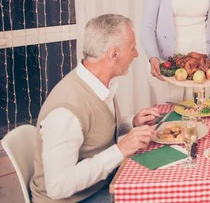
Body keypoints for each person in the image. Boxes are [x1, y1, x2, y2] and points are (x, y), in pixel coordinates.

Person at [30, 14, 159, 203]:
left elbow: (94, 127)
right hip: (75, 199)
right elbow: (58, 187)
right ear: (114, 54)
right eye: (132, 48)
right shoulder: (65, 112)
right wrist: (119, 150)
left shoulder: (98, 84)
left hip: (96, 186)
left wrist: (131, 122)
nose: (136, 54)